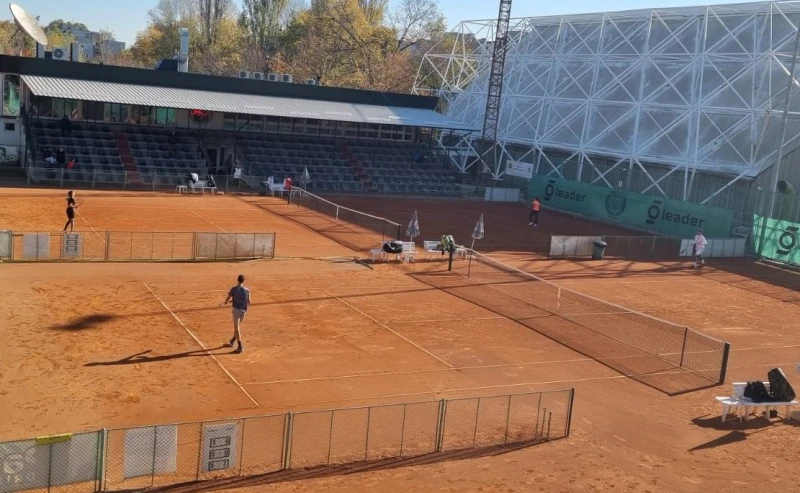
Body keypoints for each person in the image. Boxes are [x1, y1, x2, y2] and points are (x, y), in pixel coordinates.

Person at [222, 274, 250, 354]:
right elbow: (248, 301)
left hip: (236, 311)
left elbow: (227, 300)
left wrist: (227, 302)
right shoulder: (247, 290)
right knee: (237, 327)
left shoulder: (234, 289)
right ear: (243, 281)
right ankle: (233, 340)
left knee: (237, 328)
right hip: (244, 311)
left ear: (237, 280)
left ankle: (240, 347)